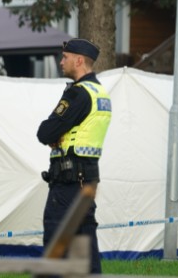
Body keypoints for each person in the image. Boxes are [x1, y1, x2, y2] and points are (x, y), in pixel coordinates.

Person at [37, 38, 111, 274]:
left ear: (79, 60)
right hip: (87, 181)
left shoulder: (78, 94)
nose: (61, 62)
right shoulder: (100, 92)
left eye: (65, 57)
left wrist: (53, 134)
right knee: (86, 248)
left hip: (68, 183)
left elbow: (45, 131)